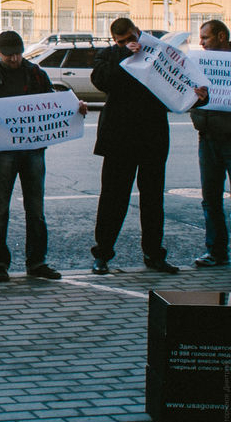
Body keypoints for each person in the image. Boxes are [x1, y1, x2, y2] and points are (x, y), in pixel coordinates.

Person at [0, 30, 87, 282]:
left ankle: (37, 261)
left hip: (33, 149)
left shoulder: (36, 73)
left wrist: (75, 108)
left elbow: (52, 104)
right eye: (9, 55)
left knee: (36, 209)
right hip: (3, 150)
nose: (14, 59)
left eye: (18, 54)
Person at [89, 17, 190, 275]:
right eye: (121, 41)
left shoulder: (157, 51)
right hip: (119, 138)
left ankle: (154, 254)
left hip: (152, 137)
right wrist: (124, 56)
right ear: (115, 41)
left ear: (138, 32)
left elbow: (178, 81)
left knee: (153, 199)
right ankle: (102, 253)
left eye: (131, 39)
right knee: (113, 198)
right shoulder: (110, 55)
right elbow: (101, 81)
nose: (128, 43)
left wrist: (198, 96)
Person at [190, 19, 231, 267]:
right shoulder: (199, 64)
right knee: (211, 198)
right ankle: (216, 251)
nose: (201, 42)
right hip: (207, 136)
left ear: (221, 36)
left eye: (205, 37)